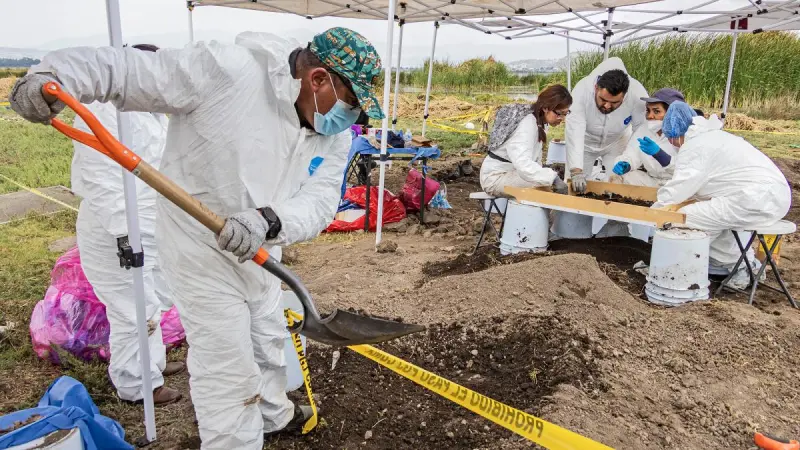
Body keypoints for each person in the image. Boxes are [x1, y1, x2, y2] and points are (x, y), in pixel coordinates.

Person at [11, 27, 384, 449]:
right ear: (317, 80)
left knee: (267, 342)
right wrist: (54, 74)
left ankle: (274, 415)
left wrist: (269, 220)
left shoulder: (330, 135)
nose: (351, 118)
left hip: (260, 251)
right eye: (351, 103)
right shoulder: (226, 72)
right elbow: (128, 72)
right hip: (199, 252)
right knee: (227, 372)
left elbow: (318, 202)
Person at [70, 44, 182, 406]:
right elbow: (102, 177)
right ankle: (138, 385)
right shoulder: (103, 110)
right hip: (116, 225)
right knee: (134, 307)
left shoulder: (150, 110)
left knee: (156, 296)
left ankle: (153, 364)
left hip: (150, 217)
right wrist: (124, 232)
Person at [653, 102, 791, 288]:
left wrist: (655, 210)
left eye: (671, 138)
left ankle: (677, 271)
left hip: (754, 198)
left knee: (683, 219)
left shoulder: (695, 146)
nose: (671, 143)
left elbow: (680, 187)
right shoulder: (713, 137)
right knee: (712, 220)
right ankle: (743, 266)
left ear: (676, 133)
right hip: (771, 196)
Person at [565, 57, 648, 193]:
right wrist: (575, 170)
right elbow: (575, 130)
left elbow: (641, 129)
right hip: (585, 141)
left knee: (617, 184)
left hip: (617, 141)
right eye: (603, 99)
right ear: (596, 87)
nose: (607, 106)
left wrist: (629, 158)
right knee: (575, 186)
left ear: (625, 95)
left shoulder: (637, 94)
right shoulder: (581, 91)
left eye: (615, 102)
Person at [480, 84, 571, 197]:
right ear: (545, 107)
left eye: (565, 114)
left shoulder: (540, 121)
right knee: (545, 188)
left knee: (545, 182)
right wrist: (553, 178)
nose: (562, 119)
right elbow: (523, 164)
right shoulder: (527, 125)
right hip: (495, 177)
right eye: (559, 114)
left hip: (512, 172)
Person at [609, 88, 684, 187]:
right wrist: (626, 163)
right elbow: (631, 153)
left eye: (656, 112)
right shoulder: (644, 129)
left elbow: (688, 169)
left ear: (672, 114)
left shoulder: (686, 133)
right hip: (652, 180)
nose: (649, 116)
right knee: (619, 177)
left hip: (677, 183)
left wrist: (661, 156)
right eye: (648, 111)